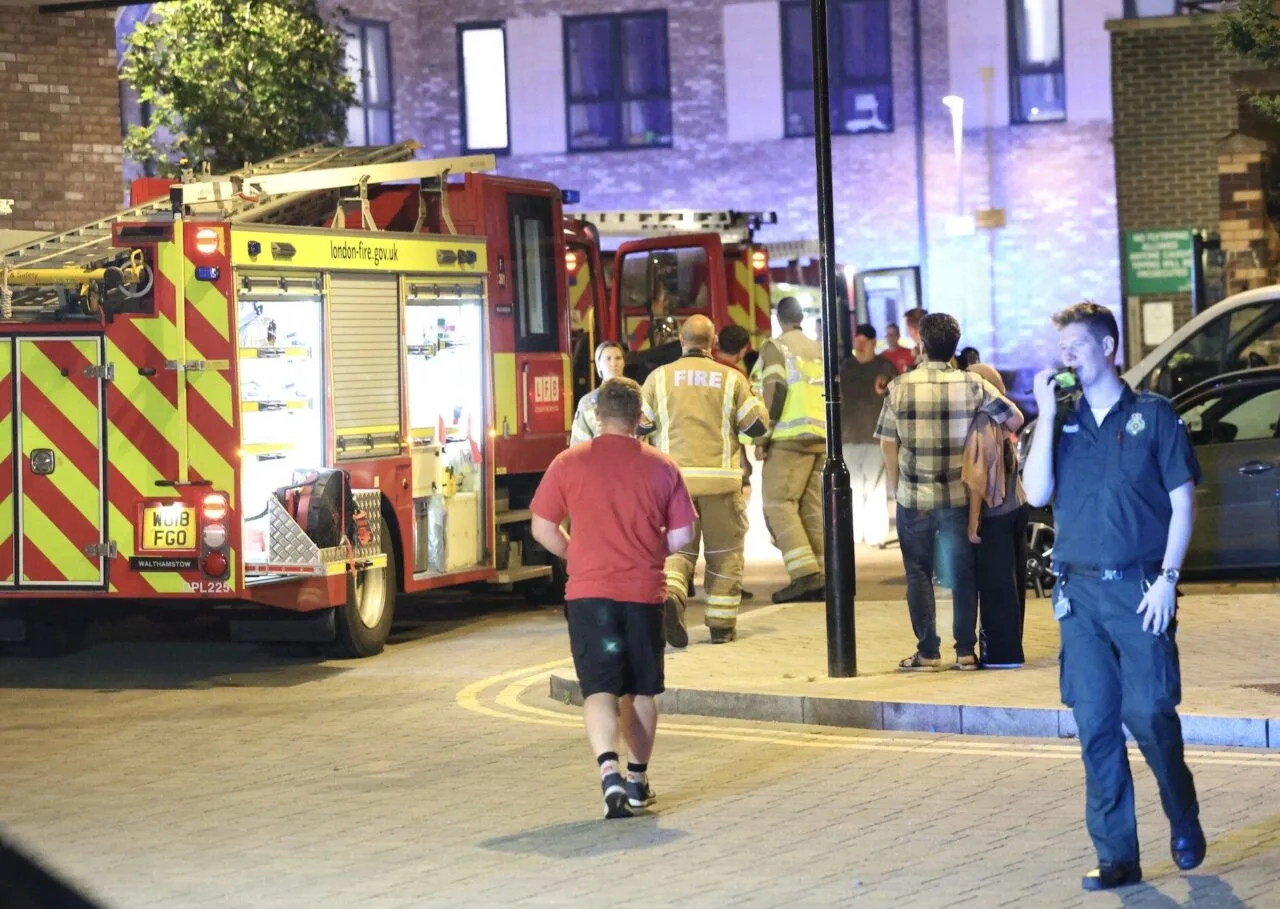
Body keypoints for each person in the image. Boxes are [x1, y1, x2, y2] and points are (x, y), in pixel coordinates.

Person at [1022, 302, 1205, 892]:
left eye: (1076, 344)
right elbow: (1035, 493)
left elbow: (1181, 502)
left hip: (1141, 589)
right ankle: (1117, 856)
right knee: (1096, 724)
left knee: (1148, 713)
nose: (1066, 355)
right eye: (1062, 347)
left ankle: (1183, 815)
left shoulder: (1154, 416)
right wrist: (1046, 414)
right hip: (1079, 596)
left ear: (1107, 347)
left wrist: (1169, 579)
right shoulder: (1064, 421)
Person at [530, 378, 697, 820]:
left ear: (596, 415)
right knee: (641, 690)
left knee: (599, 687)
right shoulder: (664, 467)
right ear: (640, 419)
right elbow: (683, 535)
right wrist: (649, 552)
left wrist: (577, 553)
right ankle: (638, 781)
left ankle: (609, 774)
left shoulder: (568, 463)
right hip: (642, 595)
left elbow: (542, 528)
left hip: (589, 597)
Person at [874, 312, 1023, 672]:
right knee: (963, 575)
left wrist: (897, 486)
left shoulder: (900, 387)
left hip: (915, 497)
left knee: (918, 574)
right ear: (954, 347)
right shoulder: (973, 385)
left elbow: (887, 442)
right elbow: (1015, 418)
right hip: (960, 499)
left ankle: (927, 651)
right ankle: (965, 652)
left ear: (922, 345)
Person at [641, 315, 769, 645]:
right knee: (725, 552)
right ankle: (721, 626)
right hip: (721, 484)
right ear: (712, 344)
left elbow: (641, 425)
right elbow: (756, 427)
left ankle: (673, 595)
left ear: (681, 342)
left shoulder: (658, 378)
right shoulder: (732, 379)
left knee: (678, 552)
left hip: (673, 484)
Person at [755, 297, 827, 604]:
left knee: (778, 503)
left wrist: (763, 436)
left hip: (789, 436)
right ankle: (823, 574)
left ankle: (805, 575)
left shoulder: (777, 346)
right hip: (820, 436)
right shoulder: (818, 348)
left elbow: (776, 389)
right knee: (810, 508)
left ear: (778, 319)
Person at [961, 363, 1028, 668]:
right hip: (1016, 507)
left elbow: (978, 479)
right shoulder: (1003, 422)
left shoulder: (982, 423)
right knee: (1013, 584)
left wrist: (973, 520)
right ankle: (1012, 647)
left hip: (996, 514)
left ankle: (1001, 654)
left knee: (996, 584)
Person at [838, 323, 898, 548]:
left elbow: (896, 396)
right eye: (857, 342)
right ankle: (854, 532)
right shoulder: (846, 366)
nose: (860, 346)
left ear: (873, 343)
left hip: (875, 436)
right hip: (849, 435)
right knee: (852, 486)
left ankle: (875, 534)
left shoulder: (885, 367)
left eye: (864, 342)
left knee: (874, 487)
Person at [571, 341, 627, 445]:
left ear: (624, 363)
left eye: (618, 358)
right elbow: (578, 446)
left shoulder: (638, 396)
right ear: (599, 365)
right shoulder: (587, 403)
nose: (614, 363)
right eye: (608, 359)